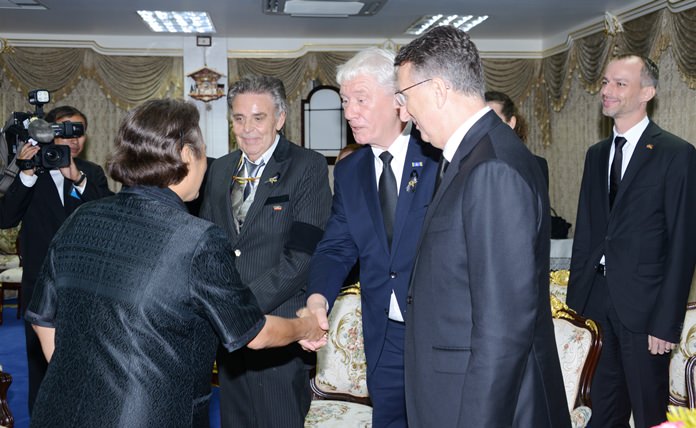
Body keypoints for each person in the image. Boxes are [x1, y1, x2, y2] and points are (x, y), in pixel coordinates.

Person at [24, 98, 326, 428]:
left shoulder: (82, 216)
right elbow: (254, 334)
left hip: (58, 411)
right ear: (186, 155)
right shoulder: (195, 238)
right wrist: (305, 326)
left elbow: (43, 320)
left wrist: (89, 384)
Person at [393, 26, 570, 427]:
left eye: (405, 98)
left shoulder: (492, 168)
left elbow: (503, 329)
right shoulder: (471, 156)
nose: (403, 112)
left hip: (478, 406)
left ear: (437, 89)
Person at [302, 47, 440, 428]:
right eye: (346, 101)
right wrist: (317, 299)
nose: (349, 113)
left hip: (440, 333)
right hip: (385, 336)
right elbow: (337, 245)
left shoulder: (437, 159)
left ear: (399, 101)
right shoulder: (351, 172)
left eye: (360, 100)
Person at [567, 54, 696, 428]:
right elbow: (588, 232)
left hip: (646, 310)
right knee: (601, 410)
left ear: (648, 93)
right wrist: (579, 302)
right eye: (606, 82)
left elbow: (683, 244)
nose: (607, 91)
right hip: (597, 305)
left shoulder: (676, 154)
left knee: (648, 411)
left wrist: (666, 322)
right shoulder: (596, 155)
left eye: (620, 84)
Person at [200, 75, 332, 428]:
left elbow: (302, 256)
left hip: (280, 328)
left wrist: (240, 305)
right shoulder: (220, 170)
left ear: (280, 118)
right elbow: (209, 246)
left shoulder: (308, 167)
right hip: (231, 335)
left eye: (259, 118)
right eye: (239, 119)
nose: (248, 129)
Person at [0, 105, 113, 414]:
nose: (72, 139)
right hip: (40, 283)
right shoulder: (30, 171)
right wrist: (25, 174)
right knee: (39, 364)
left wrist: (77, 180)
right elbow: (6, 218)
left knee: (87, 362)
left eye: (78, 132)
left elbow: (111, 217)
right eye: (64, 131)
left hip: (87, 284)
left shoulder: (91, 173)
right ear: (47, 134)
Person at [484, 90, 549, 187]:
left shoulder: (536, 165)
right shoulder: (468, 164)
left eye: (493, 120)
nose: (485, 126)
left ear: (511, 123)